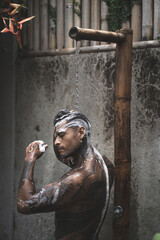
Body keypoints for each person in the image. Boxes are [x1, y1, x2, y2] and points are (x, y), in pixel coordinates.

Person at [17, 109, 114, 240]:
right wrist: (61, 127)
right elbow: (65, 156)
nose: (56, 142)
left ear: (81, 132)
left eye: (61, 135)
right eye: (55, 136)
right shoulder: (104, 164)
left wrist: (30, 159)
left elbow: (24, 203)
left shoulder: (78, 178)